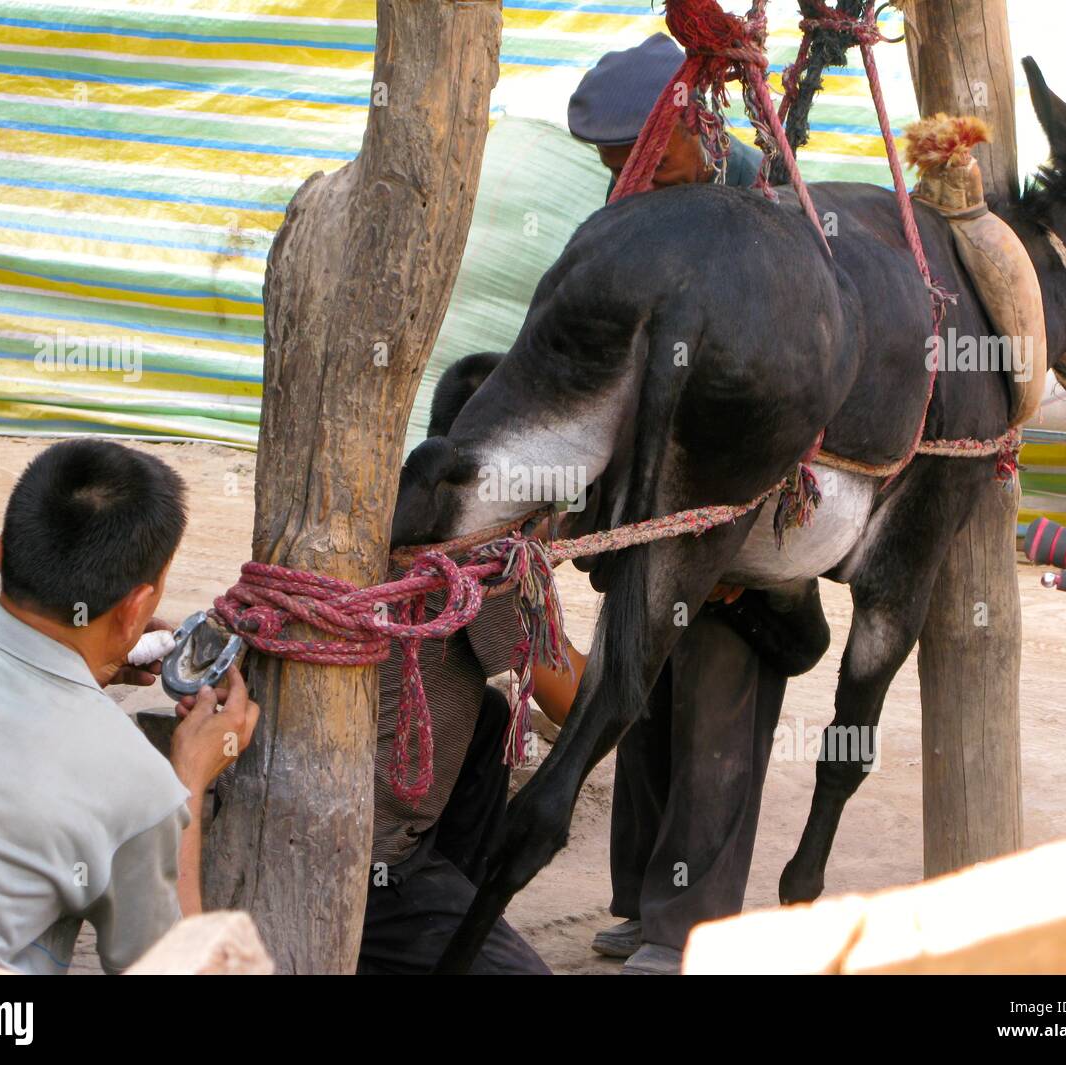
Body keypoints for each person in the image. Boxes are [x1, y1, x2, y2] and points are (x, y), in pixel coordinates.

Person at [568, 33, 813, 975]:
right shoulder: (632, 207)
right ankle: (640, 903)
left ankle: (689, 931)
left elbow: (791, 390)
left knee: (716, 705)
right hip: (649, 509)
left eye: (638, 150)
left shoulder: (768, 204)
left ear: (691, 122)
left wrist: (730, 527)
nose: (623, 171)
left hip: (737, 508)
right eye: (607, 158)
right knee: (641, 697)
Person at [0, 439, 257, 973]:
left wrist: (84, 674)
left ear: (2, 553)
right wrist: (187, 781)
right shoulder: (138, 786)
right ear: (134, 611)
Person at [359, 358, 588, 975]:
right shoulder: (475, 560)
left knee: (486, 718)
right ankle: (421, 921)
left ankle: (454, 890)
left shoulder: (372, 513)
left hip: (321, 809)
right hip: (365, 862)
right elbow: (575, 704)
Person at [568, 32, 764, 199]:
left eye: (657, 165)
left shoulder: (763, 189)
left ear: (701, 125)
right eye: (619, 170)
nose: (641, 187)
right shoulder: (630, 182)